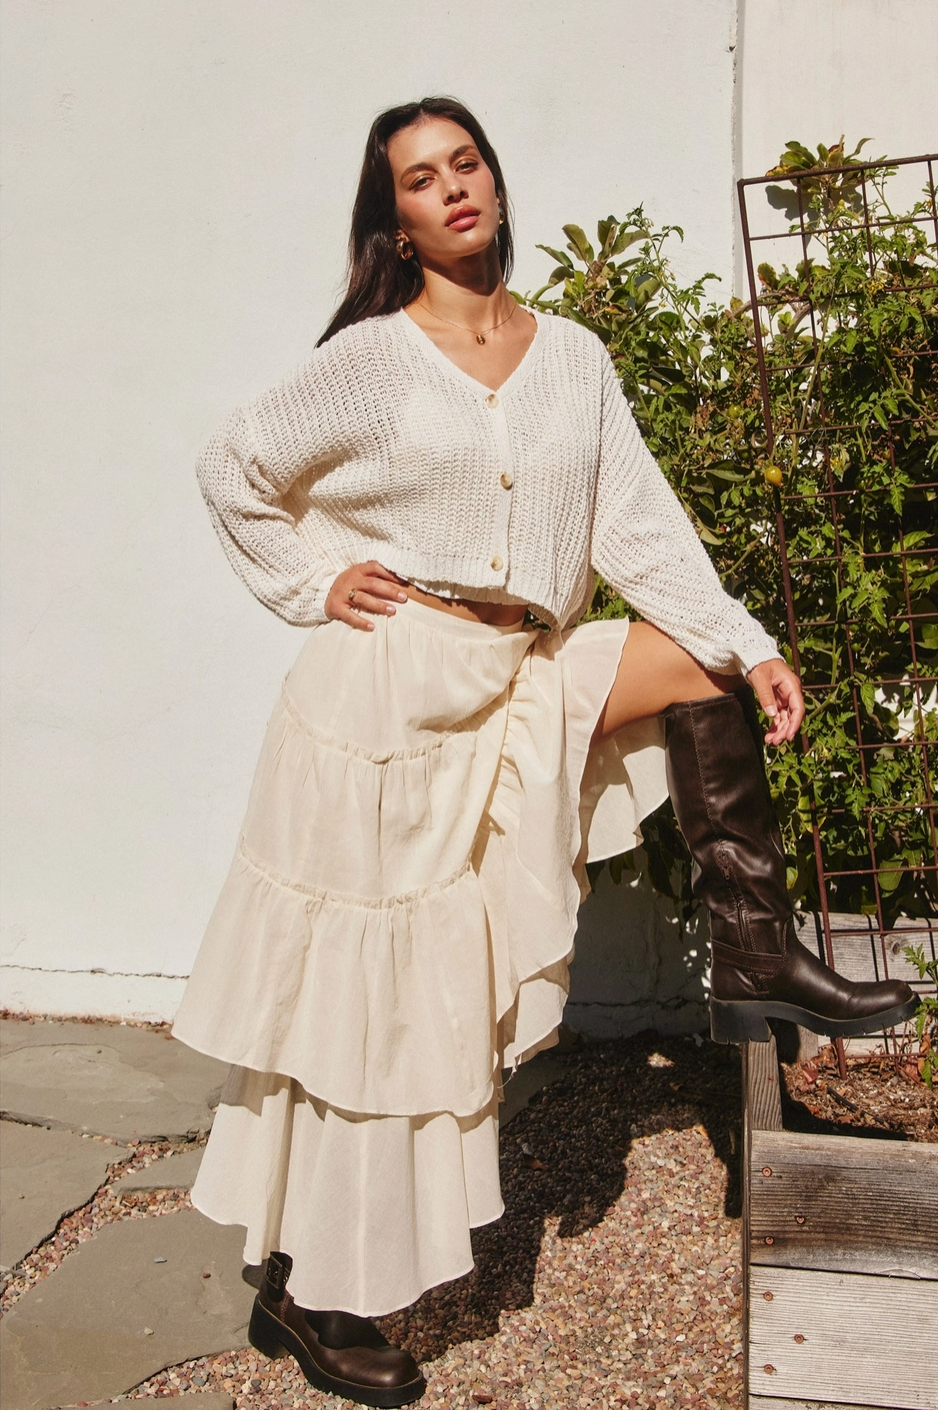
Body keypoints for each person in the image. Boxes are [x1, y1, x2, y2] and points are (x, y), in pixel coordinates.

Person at [172, 97, 917, 1407]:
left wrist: (745, 643)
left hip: (518, 673)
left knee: (689, 663)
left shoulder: (567, 356)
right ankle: (314, 1295)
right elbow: (232, 464)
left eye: (465, 164)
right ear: (392, 220)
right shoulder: (372, 359)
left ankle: (754, 953)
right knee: (380, 1004)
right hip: (381, 711)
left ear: (496, 187)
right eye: (419, 178)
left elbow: (635, 524)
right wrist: (312, 583)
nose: (451, 187)